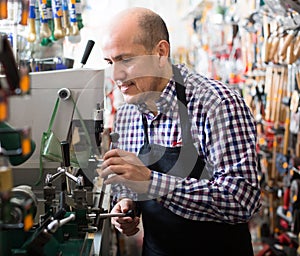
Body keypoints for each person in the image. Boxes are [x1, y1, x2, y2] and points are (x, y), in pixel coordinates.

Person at [99, 7, 261, 256]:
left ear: (161, 53)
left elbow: (241, 201)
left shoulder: (217, 104)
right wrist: (127, 205)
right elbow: (130, 183)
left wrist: (151, 183)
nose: (116, 75)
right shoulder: (127, 112)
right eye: (110, 62)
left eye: (126, 60)